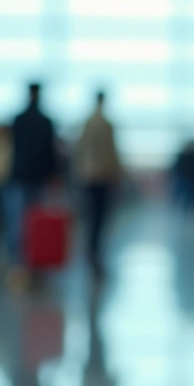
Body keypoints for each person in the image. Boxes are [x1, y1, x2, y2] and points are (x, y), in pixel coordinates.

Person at [6, 83, 58, 281]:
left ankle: (19, 262)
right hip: (38, 177)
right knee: (34, 220)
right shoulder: (46, 122)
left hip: (20, 176)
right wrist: (53, 175)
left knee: (19, 220)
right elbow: (50, 154)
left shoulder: (19, 120)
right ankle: (34, 261)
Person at [74, 90, 122, 278]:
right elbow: (111, 152)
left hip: (87, 176)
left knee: (91, 215)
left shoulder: (87, 123)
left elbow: (80, 150)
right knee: (100, 217)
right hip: (103, 175)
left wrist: (78, 173)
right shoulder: (107, 125)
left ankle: (90, 250)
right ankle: (95, 252)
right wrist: (116, 175)